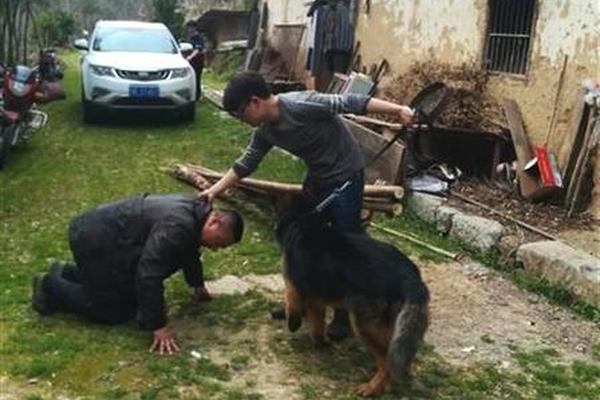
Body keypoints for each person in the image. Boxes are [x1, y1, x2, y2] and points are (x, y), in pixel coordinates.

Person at [199, 72, 415, 340]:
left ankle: (343, 314)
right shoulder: (265, 130)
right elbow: (246, 163)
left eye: (241, 115)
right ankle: (300, 299)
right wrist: (213, 190)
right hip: (319, 177)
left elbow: (352, 101)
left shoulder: (301, 104)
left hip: (346, 174)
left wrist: (399, 110)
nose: (243, 122)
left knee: (344, 244)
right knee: (301, 238)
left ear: (254, 102)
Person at [31, 193, 244, 356]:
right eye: (218, 242)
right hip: (94, 240)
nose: (215, 248)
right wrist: (159, 326)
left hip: (113, 241)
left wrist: (197, 286)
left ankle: (68, 273)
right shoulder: (178, 226)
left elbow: (189, 253)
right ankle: (49, 286)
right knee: (111, 311)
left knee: (130, 302)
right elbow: (149, 273)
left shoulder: (197, 214)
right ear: (214, 221)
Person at [185, 23, 205, 101]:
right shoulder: (189, 37)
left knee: (196, 78)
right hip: (189, 62)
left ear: (194, 28)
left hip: (197, 61)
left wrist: (190, 57)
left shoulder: (199, 37)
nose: (189, 29)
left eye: (190, 28)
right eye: (188, 28)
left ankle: (197, 96)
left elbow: (197, 49)